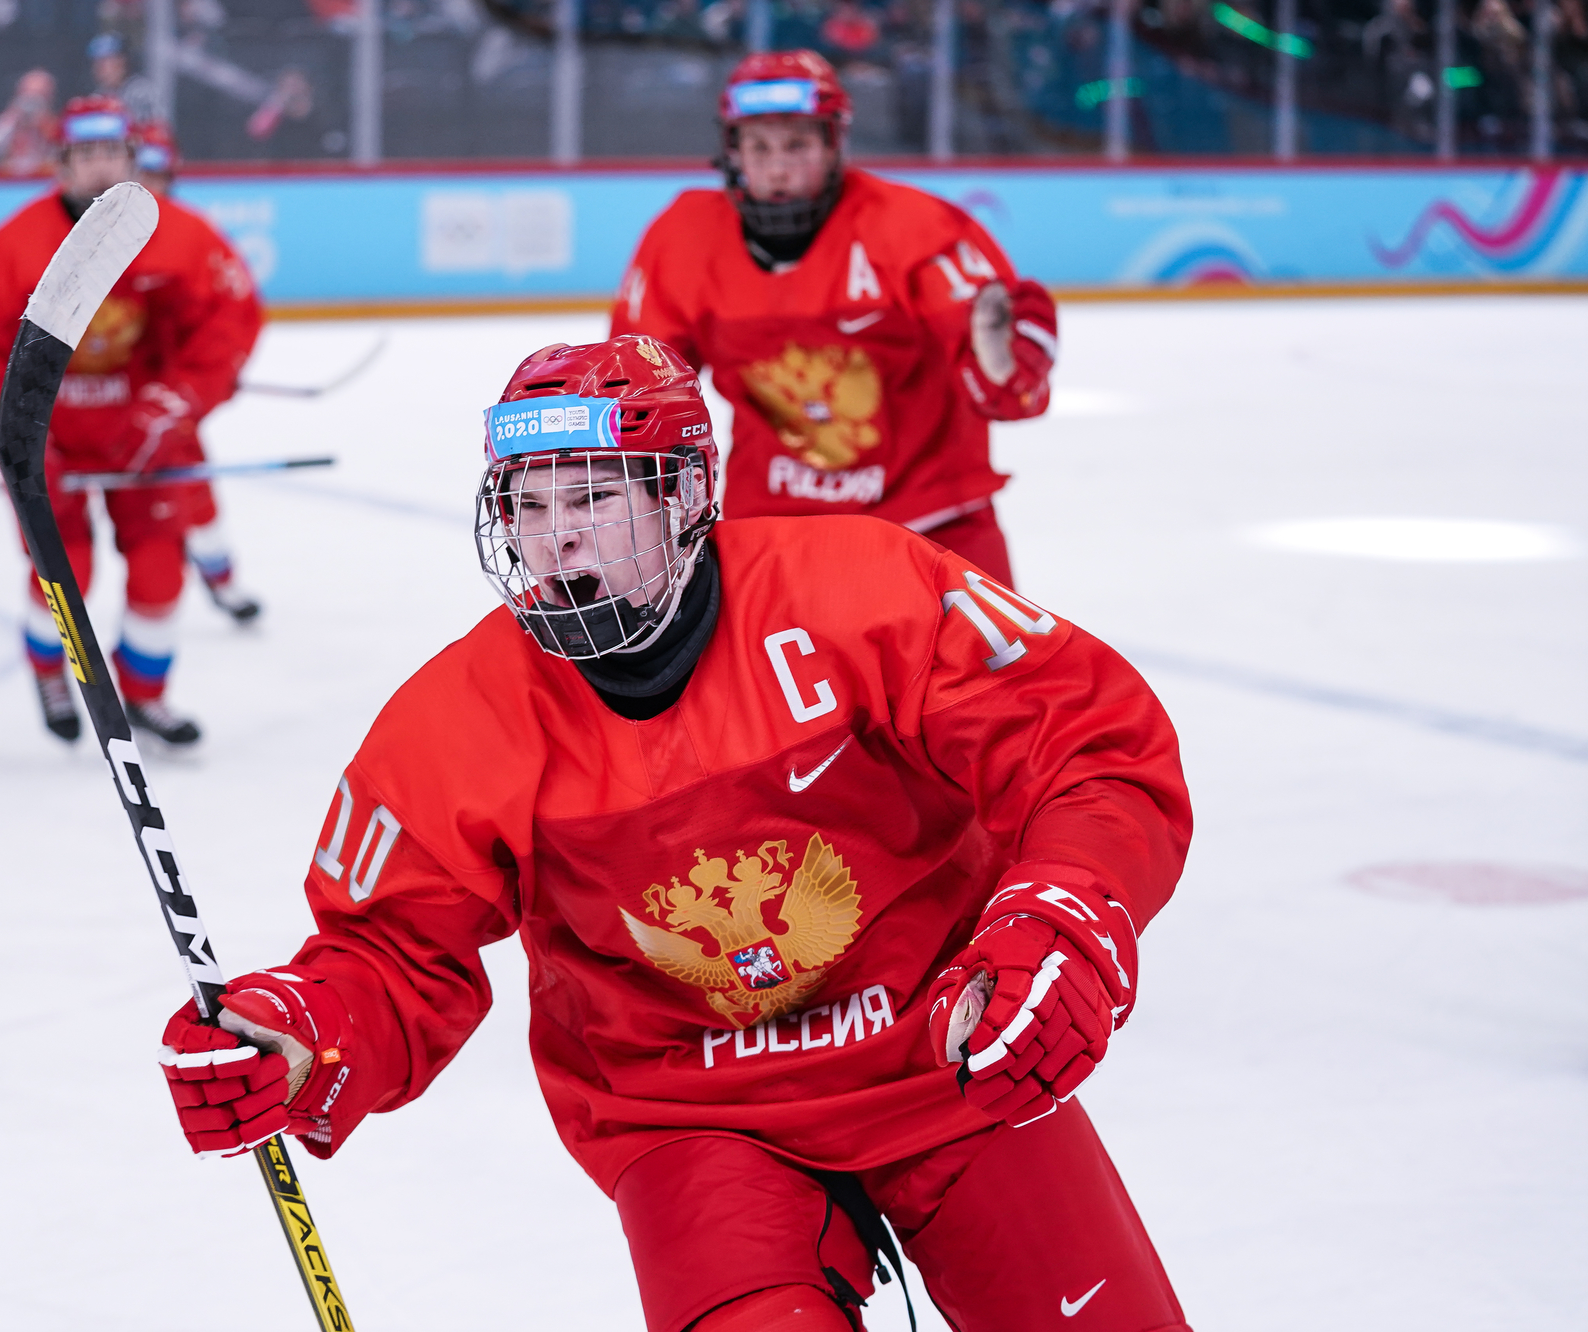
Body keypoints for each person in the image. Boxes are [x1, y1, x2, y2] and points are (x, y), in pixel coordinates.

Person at [157, 336, 1193, 1332]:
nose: (553, 535)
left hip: (945, 1054)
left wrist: (1062, 915)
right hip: (689, 1116)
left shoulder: (859, 592)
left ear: (685, 495)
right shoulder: (455, 721)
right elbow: (388, 955)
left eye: (595, 496)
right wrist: (298, 1032)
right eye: (526, 502)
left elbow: (1085, 745)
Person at [610, 50, 1057, 589]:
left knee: (999, 673)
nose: (777, 166)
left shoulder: (914, 230)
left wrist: (1007, 363)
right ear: (733, 151)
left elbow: (1006, 391)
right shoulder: (682, 240)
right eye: (759, 146)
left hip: (933, 520)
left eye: (797, 145)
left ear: (832, 143)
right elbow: (638, 395)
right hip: (773, 528)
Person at [0, 97, 260, 746]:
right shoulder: (15, 244)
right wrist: (15, 446)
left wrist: (175, 405)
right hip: (48, 441)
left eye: (112, 155)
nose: (99, 170)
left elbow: (229, 323)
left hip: (145, 439)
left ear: (133, 159)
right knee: (65, 574)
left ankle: (145, 698)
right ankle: (50, 672)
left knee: (159, 573)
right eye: (84, 156)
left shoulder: (183, 236)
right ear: (61, 165)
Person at [132, 119, 265, 625]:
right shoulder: (79, 236)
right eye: (140, 172)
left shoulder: (191, 235)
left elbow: (232, 317)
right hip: (97, 405)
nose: (150, 186)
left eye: (159, 174)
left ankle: (220, 579)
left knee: (190, 486)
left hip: (168, 402)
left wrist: (207, 375)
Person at [0, 68, 57, 176]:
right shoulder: (9, 118)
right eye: (28, 93)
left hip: (42, 177)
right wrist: (11, 118)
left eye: (39, 94)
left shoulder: (54, 123)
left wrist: (44, 124)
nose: (32, 100)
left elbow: (60, 152)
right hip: (10, 180)